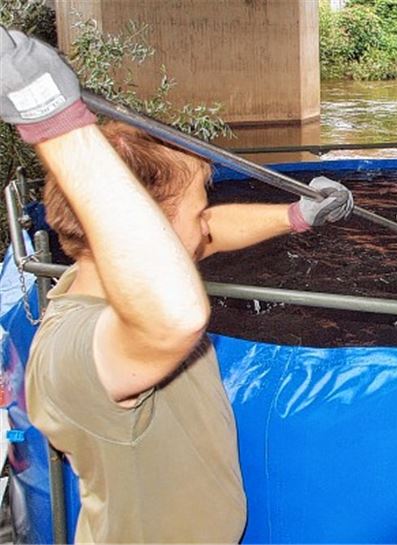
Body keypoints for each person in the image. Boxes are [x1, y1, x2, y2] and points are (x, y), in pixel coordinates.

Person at [1, 28, 354, 542]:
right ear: (153, 232)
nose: (205, 221)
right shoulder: (72, 349)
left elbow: (201, 238)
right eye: (196, 208)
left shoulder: (99, 273)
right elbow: (174, 318)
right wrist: (55, 123)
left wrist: (297, 215)